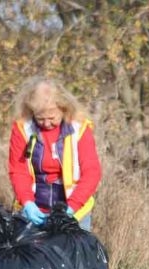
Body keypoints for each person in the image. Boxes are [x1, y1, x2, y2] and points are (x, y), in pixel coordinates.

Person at [8, 76, 101, 231]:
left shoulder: (80, 128)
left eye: (52, 118)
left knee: (72, 256)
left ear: (64, 109)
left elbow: (92, 172)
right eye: (40, 118)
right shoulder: (22, 128)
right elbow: (18, 170)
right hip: (35, 210)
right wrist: (28, 203)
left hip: (75, 211)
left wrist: (72, 208)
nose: (46, 123)